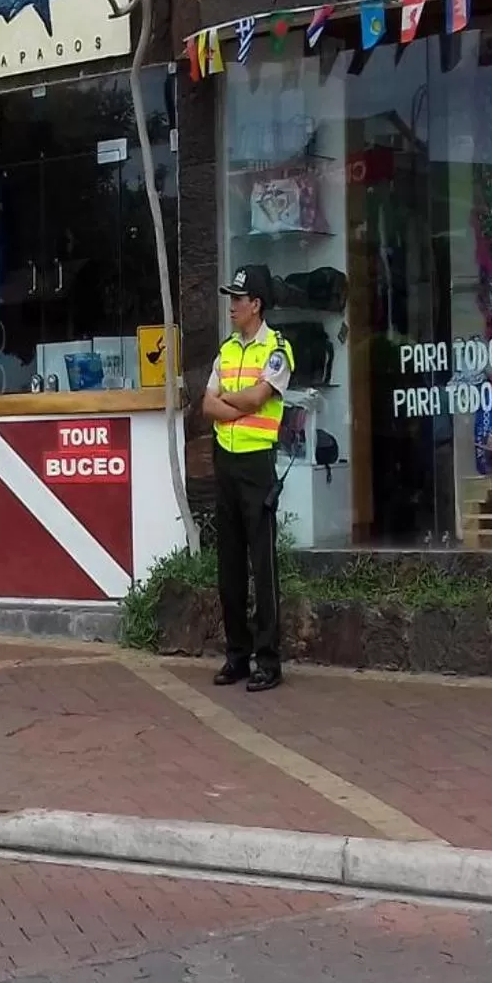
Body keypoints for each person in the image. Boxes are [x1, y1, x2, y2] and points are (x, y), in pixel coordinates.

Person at [201, 265, 294, 694]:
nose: (232, 305)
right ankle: (237, 656)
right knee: (230, 565)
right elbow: (206, 404)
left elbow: (261, 397)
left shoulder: (276, 349)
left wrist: (229, 403)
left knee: (263, 563)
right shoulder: (227, 350)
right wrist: (235, 406)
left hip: (257, 464)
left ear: (256, 304)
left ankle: (268, 660)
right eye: (231, 298)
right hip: (225, 461)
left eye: (238, 299)